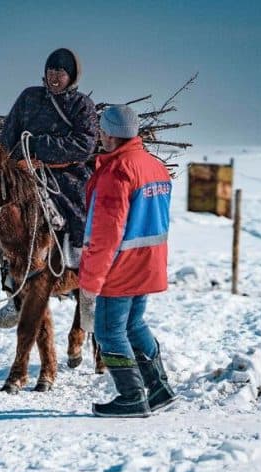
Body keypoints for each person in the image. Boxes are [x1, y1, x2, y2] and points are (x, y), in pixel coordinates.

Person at [78, 104, 177, 417]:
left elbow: (106, 234)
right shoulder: (154, 166)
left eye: (102, 131)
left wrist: (91, 280)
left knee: (109, 332)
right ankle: (159, 388)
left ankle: (132, 396)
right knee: (134, 324)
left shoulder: (117, 171)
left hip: (121, 266)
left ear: (108, 134)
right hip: (149, 261)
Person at [0, 47, 98, 328]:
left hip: (69, 174)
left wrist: (40, 148)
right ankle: (13, 292)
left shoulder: (81, 106)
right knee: (2, 219)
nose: (54, 75)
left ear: (71, 76)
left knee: (80, 216)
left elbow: (84, 145)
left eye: (61, 71)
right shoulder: (29, 98)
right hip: (25, 172)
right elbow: (8, 136)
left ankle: (86, 286)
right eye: (51, 70)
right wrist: (19, 159)